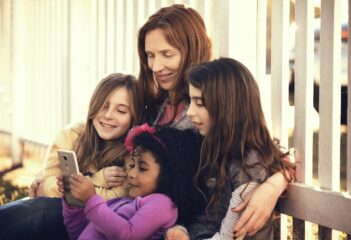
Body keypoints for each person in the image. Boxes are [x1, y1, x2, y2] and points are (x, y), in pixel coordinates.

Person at [137, 4, 292, 237]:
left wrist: (274, 183)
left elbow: (268, 156)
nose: (156, 67)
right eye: (150, 56)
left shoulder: (209, 120)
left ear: (191, 49)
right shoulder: (155, 107)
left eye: (167, 54)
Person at [0, 73, 139, 239]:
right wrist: (96, 179)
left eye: (121, 110)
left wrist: (63, 188)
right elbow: (46, 184)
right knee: (36, 209)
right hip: (55, 217)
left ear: (133, 117)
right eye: (103, 106)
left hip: (93, 229)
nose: (108, 115)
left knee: (46, 209)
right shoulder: (71, 135)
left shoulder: (133, 154)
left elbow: (114, 201)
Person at [166, 58, 294, 240]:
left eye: (200, 103)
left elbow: (237, 233)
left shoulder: (247, 160)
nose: (189, 112)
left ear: (228, 106)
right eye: (191, 102)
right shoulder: (208, 144)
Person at [58, 124, 205, 240]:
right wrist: (73, 203)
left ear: (170, 175)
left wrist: (91, 199)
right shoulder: (121, 203)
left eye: (142, 168)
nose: (132, 174)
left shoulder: (163, 204)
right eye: (132, 165)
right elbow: (79, 233)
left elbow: (126, 235)